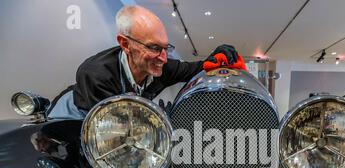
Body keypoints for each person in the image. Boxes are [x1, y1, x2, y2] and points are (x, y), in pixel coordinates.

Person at [47, 5, 241, 119]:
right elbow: (114, 131)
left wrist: (216, 57)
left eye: (166, 48)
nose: (163, 58)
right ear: (125, 44)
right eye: (154, 48)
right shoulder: (96, 74)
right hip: (69, 120)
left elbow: (193, 69)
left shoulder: (161, 65)